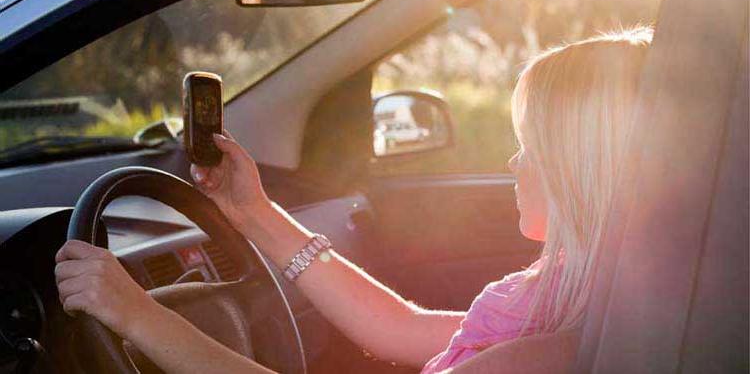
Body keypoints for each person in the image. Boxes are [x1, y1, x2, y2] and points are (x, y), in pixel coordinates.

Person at [54, 26, 652, 373]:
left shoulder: (546, 353)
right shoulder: (575, 297)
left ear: (584, 171)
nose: (514, 164)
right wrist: (255, 214)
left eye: (531, 147)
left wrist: (139, 316)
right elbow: (401, 326)